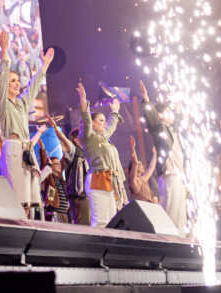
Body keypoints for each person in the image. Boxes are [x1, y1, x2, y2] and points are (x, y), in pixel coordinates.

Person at [0, 30, 54, 219]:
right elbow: (1, 81)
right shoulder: (1, 103)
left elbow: (33, 85)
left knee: (29, 200)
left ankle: (27, 229)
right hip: (13, 150)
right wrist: (4, 52)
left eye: (18, 80)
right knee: (19, 199)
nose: (17, 84)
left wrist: (45, 65)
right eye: (13, 81)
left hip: (27, 150)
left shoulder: (22, 102)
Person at [139, 81, 188, 234]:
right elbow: (152, 118)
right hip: (169, 176)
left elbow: (177, 118)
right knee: (171, 214)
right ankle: (170, 241)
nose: (171, 114)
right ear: (161, 115)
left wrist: (178, 104)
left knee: (181, 216)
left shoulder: (172, 128)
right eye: (168, 112)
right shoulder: (159, 129)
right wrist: (146, 99)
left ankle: (182, 242)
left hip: (178, 177)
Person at [79, 82, 127, 227]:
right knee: (101, 222)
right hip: (98, 179)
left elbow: (111, 125)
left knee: (112, 220)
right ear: (92, 124)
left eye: (104, 121)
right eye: (101, 120)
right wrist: (83, 101)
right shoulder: (89, 137)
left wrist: (115, 112)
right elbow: (86, 120)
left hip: (110, 180)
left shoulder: (104, 137)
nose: (105, 123)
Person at [65, 127, 91, 225]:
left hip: (88, 192)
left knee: (91, 222)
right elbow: (63, 141)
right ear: (76, 139)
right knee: (84, 223)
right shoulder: (73, 152)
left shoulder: (87, 154)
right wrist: (55, 128)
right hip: (79, 194)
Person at [127, 136, 158, 203]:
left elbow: (151, 168)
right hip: (142, 208)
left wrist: (155, 154)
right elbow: (135, 163)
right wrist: (132, 149)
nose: (142, 166)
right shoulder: (134, 181)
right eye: (140, 164)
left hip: (150, 207)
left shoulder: (143, 179)